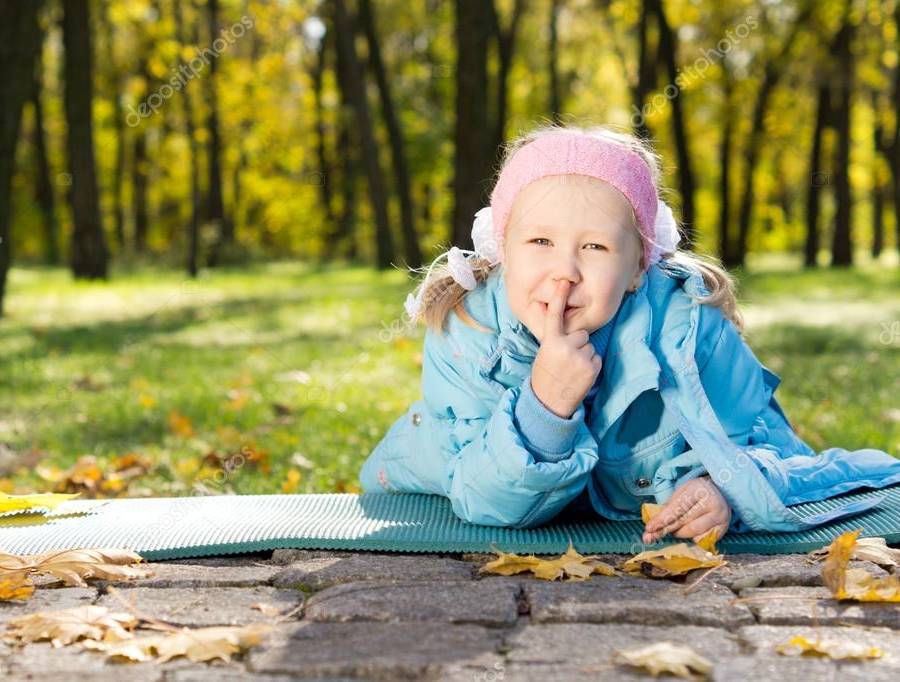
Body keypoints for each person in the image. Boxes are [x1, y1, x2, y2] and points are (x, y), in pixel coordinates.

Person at [358, 123, 900, 545]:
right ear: (502, 249)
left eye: (595, 247)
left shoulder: (692, 330)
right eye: (540, 242)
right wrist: (545, 407)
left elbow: (762, 447)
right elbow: (486, 503)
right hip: (455, 466)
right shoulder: (468, 331)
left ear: (640, 265)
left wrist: (719, 489)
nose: (564, 271)